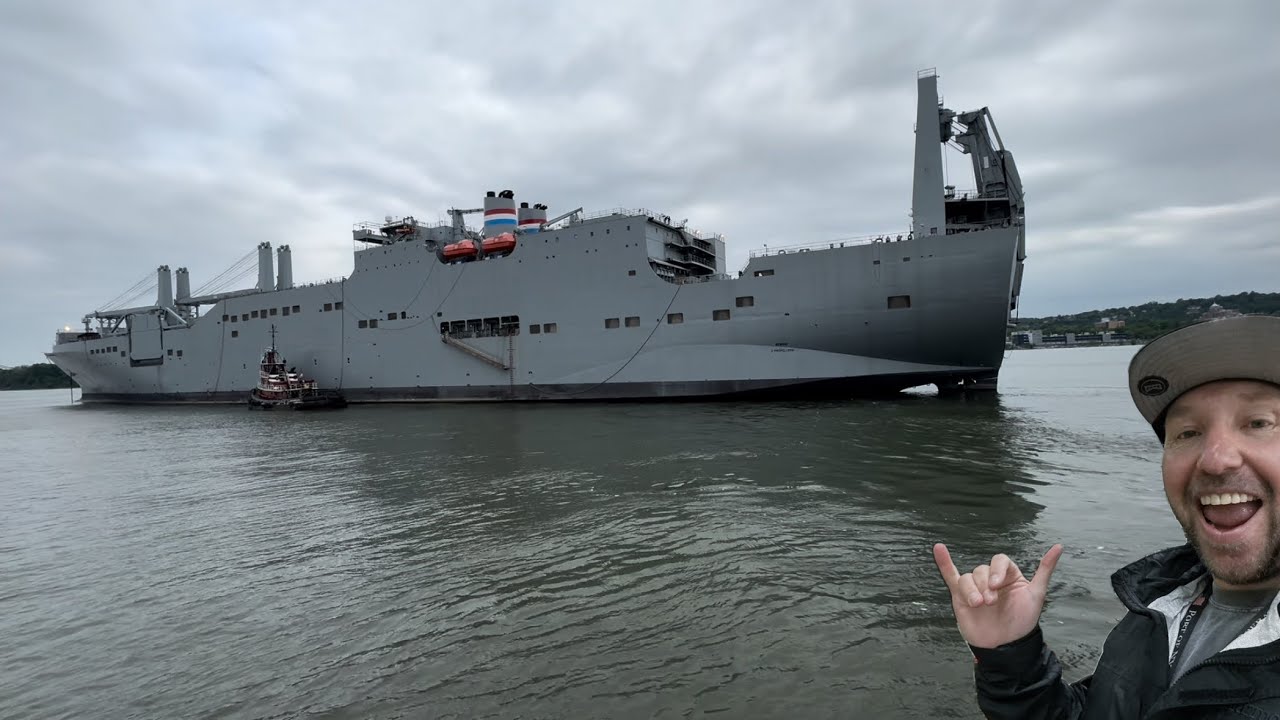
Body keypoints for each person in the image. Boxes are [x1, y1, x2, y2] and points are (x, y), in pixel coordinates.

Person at [933, 314, 1280, 719]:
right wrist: (1010, 657)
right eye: (1187, 432)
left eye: (1259, 423)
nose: (1216, 460)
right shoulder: (1161, 606)